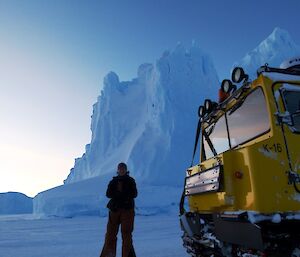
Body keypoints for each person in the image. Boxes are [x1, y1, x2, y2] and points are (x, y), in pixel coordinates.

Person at [100, 162, 138, 257]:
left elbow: (134, 194)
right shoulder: (113, 181)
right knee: (110, 234)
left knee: (126, 234)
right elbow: (108, 194)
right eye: (120, 169)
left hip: (127, 210)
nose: (121, 170)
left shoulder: (130, 181)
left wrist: (123, 195)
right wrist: (118, 194)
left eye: (123, 169)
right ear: (117, 170)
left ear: (126, 170)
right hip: (115, 210)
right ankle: (109, 255)